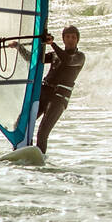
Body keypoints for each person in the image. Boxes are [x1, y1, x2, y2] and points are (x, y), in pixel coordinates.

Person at [11, 26, 84, 155]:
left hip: (59, 98)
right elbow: (31, 58)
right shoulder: (55, 54)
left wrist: (52, 44)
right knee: (21, 122)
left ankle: (39, 158)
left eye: (73, 37)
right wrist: (18, 46)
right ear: (64, 39)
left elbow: (67, 60)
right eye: (67, 37)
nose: (70, 40)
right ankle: (21, 152)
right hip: (44, 93)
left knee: (42, 133)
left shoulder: (79, 57)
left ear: (77, 40)